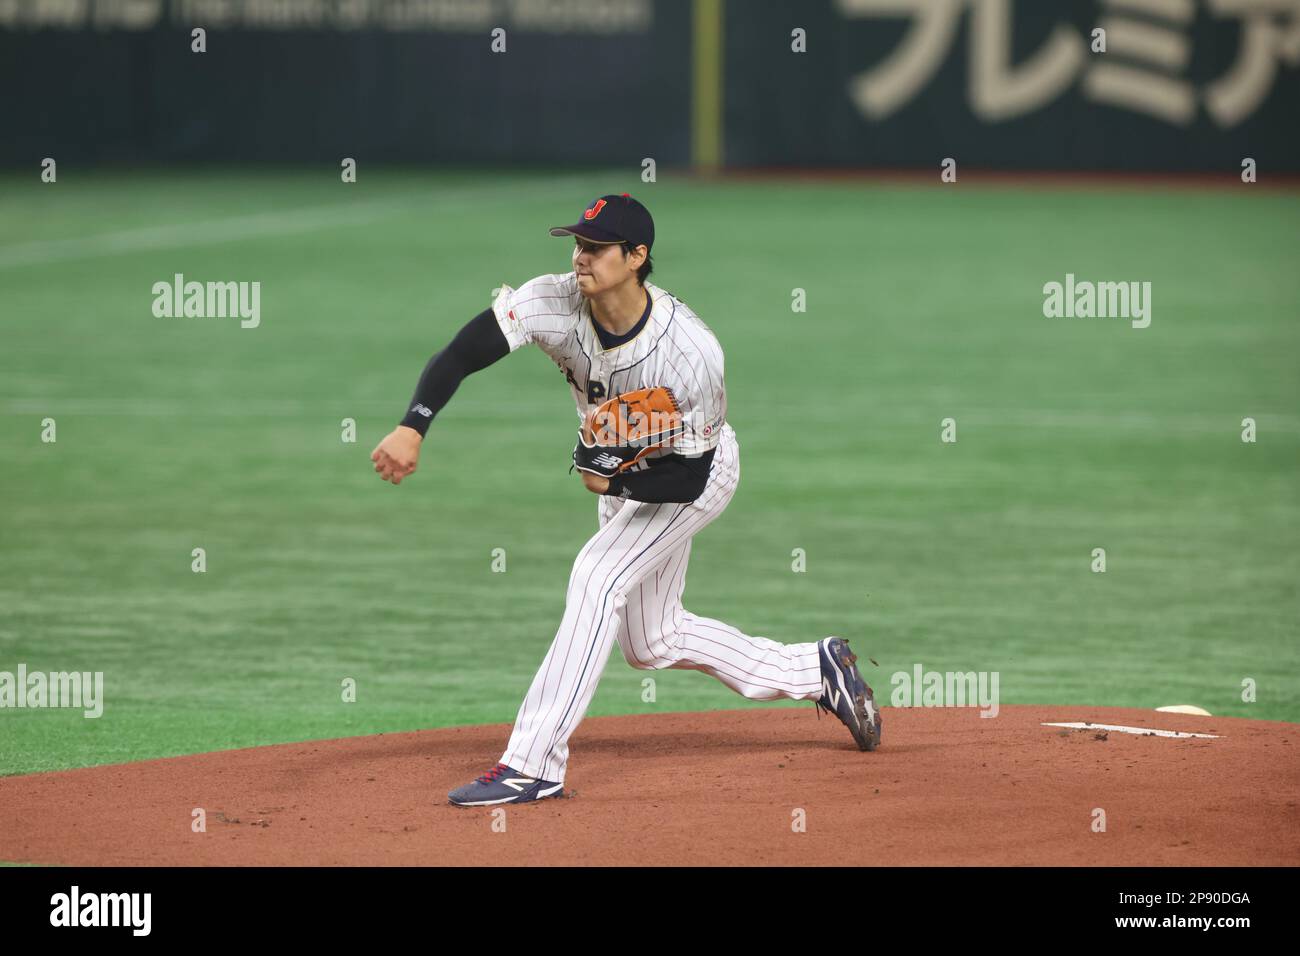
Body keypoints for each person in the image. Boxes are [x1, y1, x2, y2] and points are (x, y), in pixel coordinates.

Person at [370, 194, 881, 807]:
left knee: (596, 577)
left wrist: (612, 483)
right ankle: (816, 668)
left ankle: (532, 764)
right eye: (578, 244)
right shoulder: (551, 300)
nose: (580, 258)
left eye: (597, 248)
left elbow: (689, 478)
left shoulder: (690, 352)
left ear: (637, 257)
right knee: (651, 642)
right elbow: (460, 354)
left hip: (694, 476)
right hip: (627, 471)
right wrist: (412, 426)